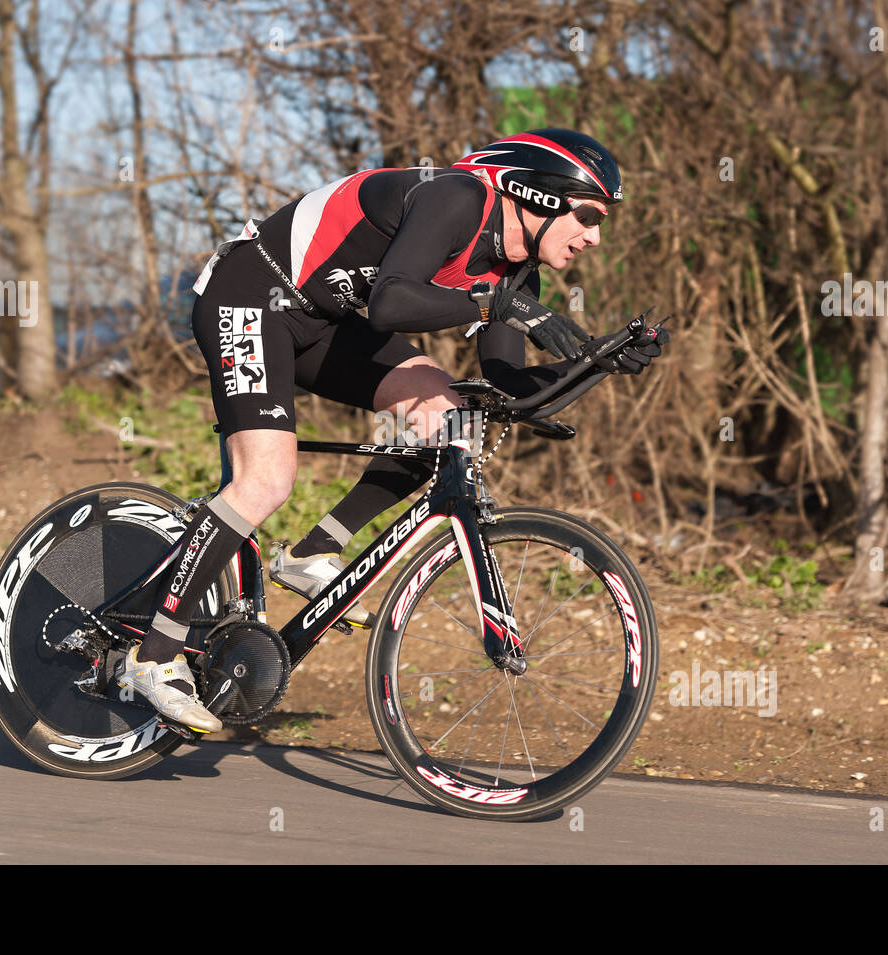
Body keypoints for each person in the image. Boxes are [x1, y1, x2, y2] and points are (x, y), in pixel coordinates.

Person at [117, 128, 660, 732]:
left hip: (323, 324)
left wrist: (596, 362)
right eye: (588, 215)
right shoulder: (454, 198)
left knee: (451, 421)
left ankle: (313, 550)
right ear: (535, 194)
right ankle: (153, 655)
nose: (595, 236)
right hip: (251, 296)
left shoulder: (515, 273)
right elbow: (391, 303)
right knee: (266, 480)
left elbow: (506, 391)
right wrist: (499, 308)